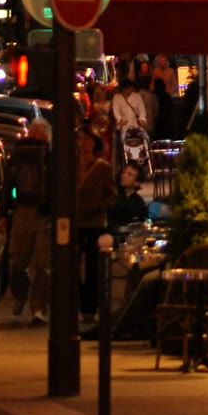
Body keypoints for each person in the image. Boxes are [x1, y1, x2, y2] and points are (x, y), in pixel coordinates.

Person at [6, 119, 51, 323]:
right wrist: (5, 210)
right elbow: (9, 181)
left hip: (43, 213)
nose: (36, 138)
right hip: (23, 211)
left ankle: (38, 307)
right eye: (33, 133)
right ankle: (21, 294)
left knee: (43, 264)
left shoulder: (50, 155)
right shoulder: (20, 153)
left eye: (39, 134)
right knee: (19, 262)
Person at [76, 125, 118, 318]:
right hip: (76, 222)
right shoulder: (71, 165)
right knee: (72, 265)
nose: (83, 143)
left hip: (95, 222)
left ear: (94, 143)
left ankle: (89, 308)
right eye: (80, 139)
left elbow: (112, 195)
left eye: (87, 139)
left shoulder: (102, 168)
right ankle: (77, 302)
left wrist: (100, 206)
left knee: (93, 267)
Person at [107, 166, 148, 238]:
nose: (124, 176)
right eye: (124, 172)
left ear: (137, 182)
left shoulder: (139, 202)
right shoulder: (112, 195)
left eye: (129, 174)